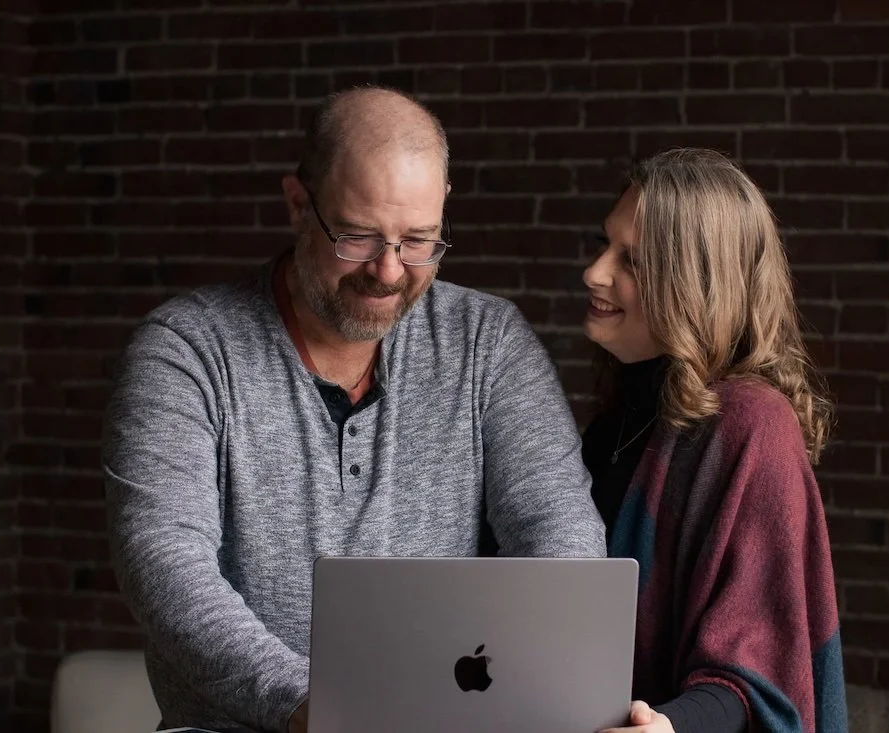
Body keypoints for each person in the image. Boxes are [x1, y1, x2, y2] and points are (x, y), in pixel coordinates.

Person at [102, 86, 606, 733]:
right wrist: (311, 706)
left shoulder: (488, 341)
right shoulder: (187, 349)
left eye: (419, 240)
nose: (390, 271)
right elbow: (164, 559)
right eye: (359, 237)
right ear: (296, 204)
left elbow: (560, 532)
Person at [583, 149, 847, 733]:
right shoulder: (621, 417)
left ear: (694, 284)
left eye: (631, 260)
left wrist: (670, 727)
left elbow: (762, 673)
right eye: (604, 245)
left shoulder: (754, 426)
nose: (595, 273)